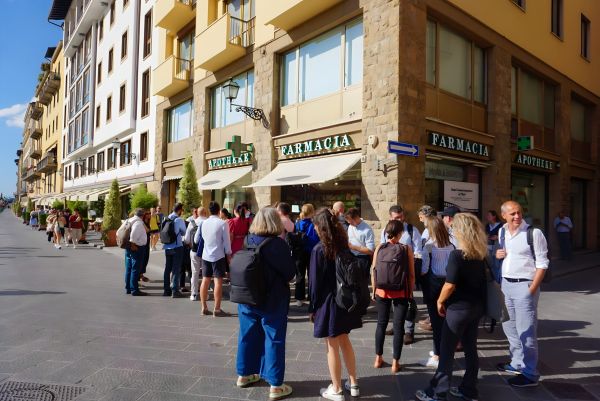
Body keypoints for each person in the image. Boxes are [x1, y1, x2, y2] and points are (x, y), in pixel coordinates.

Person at [416, 213, 488, 401]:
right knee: (470, 348)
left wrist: (440, 301)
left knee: (446, 351)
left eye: (454, 227)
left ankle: (437, 393)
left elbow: (449, 284)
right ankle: (469, 389)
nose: (451, 230)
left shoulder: (458, 255)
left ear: (461, 231)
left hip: (458, 309)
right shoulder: (480, 254)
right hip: (476, 307)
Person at [235, 207, 296, 400]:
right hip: (272, 299)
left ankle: (244, 375)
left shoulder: (248, 240)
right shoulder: (277, 244)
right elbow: (290, 273)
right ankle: (276, 385)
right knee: (274, 338)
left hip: (247, 296)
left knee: (247, 335)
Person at [308, 208, 361, 400]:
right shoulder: (343, 245)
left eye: (315, 225)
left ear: (320, 226)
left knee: (331, 346)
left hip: (328, 301)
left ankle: (337, 388)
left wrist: (312, 307)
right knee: (345, 341)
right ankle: (353, 383)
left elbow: (314, 283)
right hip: (344, 299)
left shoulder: (319, 250)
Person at [496, 200, 548, 387]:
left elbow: (542, 263)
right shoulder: (502, 231)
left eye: (519, 212)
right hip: (506, 284)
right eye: (512, 214)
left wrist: (531, 290)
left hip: (525, 285)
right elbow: (503, 255)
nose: (517, 216)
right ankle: (517, 362)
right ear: (504, 215)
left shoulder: (533, 233)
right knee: (509, 326)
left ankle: (530, 373)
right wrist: (498, 255)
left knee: (526, 330)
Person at [371, 220, 414, 374]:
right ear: (400, 233)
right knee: (398, 326)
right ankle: (395, 363)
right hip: (401, 291)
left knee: (381, 324)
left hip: (382, 291)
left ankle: (378, 358)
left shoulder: (379, 248)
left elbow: (374, 270)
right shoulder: (406, 249)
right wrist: (410, 292)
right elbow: (411, 274)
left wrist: (374, 290)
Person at [379, 205, 422, 345]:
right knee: (393, 300)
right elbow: (381, 248)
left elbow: (418, 251)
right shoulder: (386, 231)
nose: (399, 219)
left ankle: (409, 330)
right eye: (396, 217)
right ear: (390, 217)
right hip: (390, 273)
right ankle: (397, 325)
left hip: (405, 272)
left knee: (408, 300)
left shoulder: (411, 230)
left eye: (401, 216)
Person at [419, 216, 455, 369]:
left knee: (435, 321)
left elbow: (424, 269)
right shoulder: (452, 246)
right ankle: (445, 351)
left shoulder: (428, 246)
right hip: (448, 285)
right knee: (447, 320)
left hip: (433, 286)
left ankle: (437, 354)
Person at [198, 201, 232, 317]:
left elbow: (200, 239)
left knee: (205, 280)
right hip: (218, 255)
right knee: (218, 281)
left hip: (206, 255)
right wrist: (229, 256)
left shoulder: (204, 223)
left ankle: (204, 306)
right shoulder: (222, 223)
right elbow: (227, 243)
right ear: (219, 211)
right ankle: (217, 309)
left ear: (209, 211)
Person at [294, 203, 320, 307]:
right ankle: (311, 296)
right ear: (312, 211)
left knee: (299, 275)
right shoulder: (313, 224)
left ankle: (299, 298)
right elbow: (315, 240)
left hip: (299, 252)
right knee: (311, 274)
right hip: (311, 252)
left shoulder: (298, 223)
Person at [162, 203, 187, 298]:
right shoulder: (179, 219)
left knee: (167, 268)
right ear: (180, 210)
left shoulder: (166, 218)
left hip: (167, 246)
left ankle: (166, 290)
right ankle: (175, 290)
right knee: (176, 269)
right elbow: (184, 232)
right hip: (177, 246)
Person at [123, 208, 149, 296]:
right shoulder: (138, 223)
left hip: (129, 247)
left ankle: (128, 288)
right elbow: (133, 237)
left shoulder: (129, 220)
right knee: (135, 269)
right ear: (142, 215)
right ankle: (134, 290)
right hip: (136, 247)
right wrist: (133, 245)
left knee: (129, 268)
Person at [185, 207, 208, 301]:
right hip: (207, 252)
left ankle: (193, 294)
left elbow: (186, 239)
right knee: (206, 274)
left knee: (194, 272)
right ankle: (205, 294)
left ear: (197, 213)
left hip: (194, 250)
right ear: (205, 213)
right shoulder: (208, 222)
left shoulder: (192, 223)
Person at [345, 208, 375, 277]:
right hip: (351, 258)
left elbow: (370, 251)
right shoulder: (350, 226)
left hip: (363, 260)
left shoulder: (367, 230)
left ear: (356, 218)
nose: (350, 224)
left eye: (351, 222)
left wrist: (353, 247)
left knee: (362, 284)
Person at [486, 210, 503, 282]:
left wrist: (497, 237)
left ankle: (498, 280)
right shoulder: (487, 226)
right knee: (490, 264)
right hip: (489, 246)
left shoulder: (501, 225)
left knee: (497, 264)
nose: (487, 217)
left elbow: (504, 235)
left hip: (497, 247)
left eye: (489, 216)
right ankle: (494, 279)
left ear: (494, 217)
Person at [139, 210, 152, 283]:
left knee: (146, 258)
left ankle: (141, 274)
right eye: (147, 213)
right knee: (142, 258)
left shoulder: (148, 221)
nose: (149, 214)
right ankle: (140, 275)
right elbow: (147, 231)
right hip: (143, 243)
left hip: (147, 242)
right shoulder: (142, 222)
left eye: (149, 213)